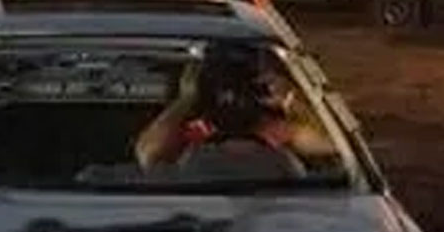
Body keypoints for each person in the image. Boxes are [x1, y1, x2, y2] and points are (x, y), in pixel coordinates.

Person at [134, 43, 335, 173]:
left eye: (242, 84)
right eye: (219, 86)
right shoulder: (192, 132)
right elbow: (150, 155)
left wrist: (290, 99)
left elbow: (332, 143)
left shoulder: (277, 130)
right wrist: (188, 98)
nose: (231, 96)